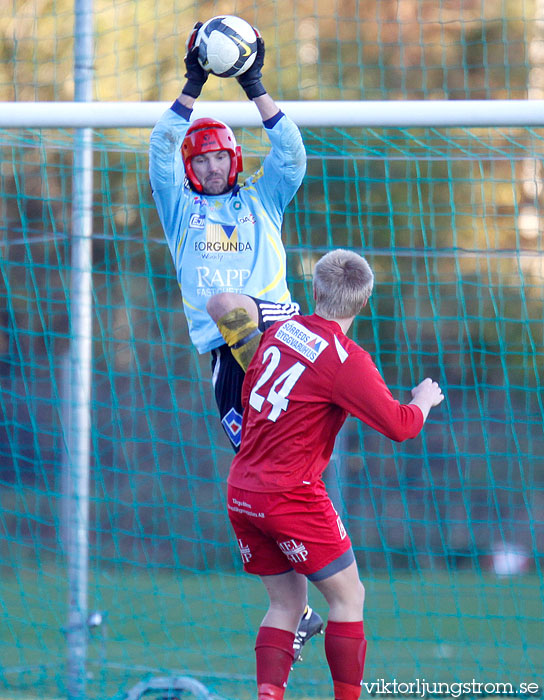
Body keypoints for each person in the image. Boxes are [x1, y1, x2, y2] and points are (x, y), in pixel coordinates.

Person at [148, 22, 322, 662]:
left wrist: (254, 86)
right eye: (202, 158)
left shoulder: (263, 202)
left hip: (278, 339)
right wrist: (193, 82)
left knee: (239, 308)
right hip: (227, 362)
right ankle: (298, 608)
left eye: (221, 155)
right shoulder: (179, 212)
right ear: (192, 169)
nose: (212, 164)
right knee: (263, 480)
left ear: (236, 161)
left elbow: (295, 157)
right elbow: (162, 145)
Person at [227, 249, 445, 700]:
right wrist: (423, 399)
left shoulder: (280, 331)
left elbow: (250, 394)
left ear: (316, 289)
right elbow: (401, 426)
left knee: (286, 604)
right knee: (349, 598)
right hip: (290, 496)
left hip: (242, 491)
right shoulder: (346, 359)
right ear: (362, 303)